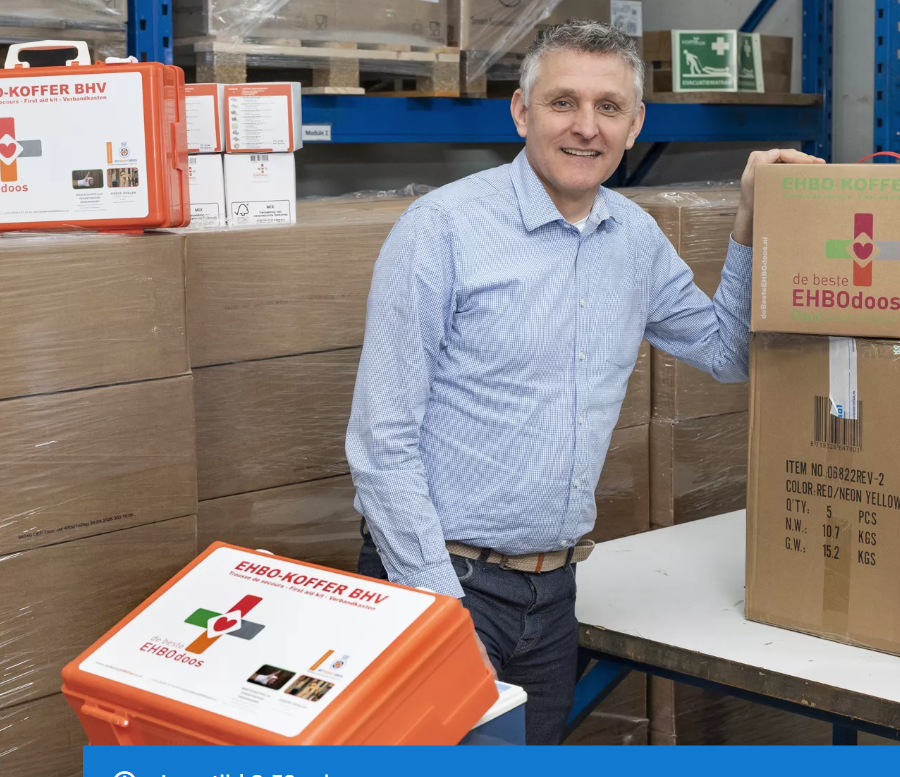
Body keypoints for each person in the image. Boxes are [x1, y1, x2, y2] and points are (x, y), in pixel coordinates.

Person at [346, 18, 822, 745]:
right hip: (441, 584)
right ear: (521, 112)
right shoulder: (441, 229)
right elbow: (382, 446)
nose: (586, 127)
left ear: (636, 124)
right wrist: (442, 615)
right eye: (563, 102)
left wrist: (751, 221)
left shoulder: (633, 239)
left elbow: (727, 351)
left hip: (553, 595)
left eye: (608, 107)